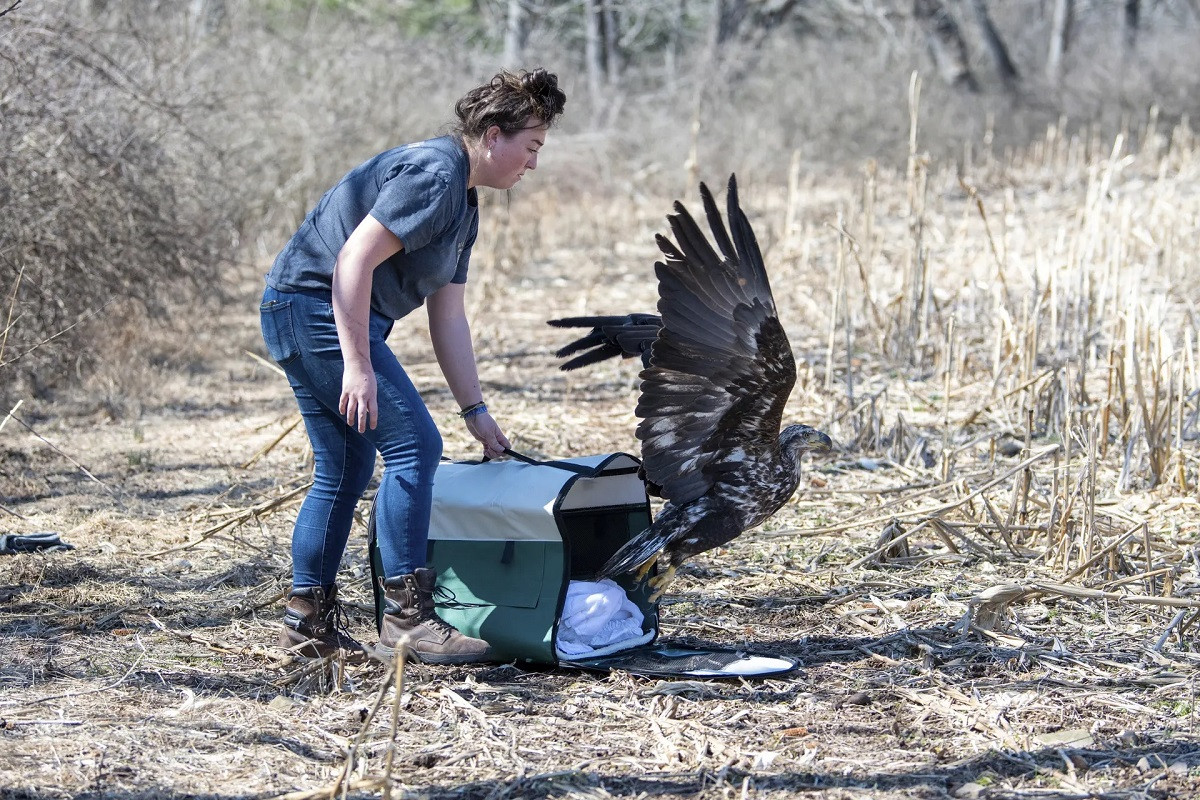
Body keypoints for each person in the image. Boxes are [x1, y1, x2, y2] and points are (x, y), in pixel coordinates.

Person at [259, 68, 567, 664]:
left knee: (345, 468)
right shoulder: (435, 173)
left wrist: (476, 411)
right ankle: (406, 621)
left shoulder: (466, 203)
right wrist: (356, 365)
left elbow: (447, 316)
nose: (533, 164)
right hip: (313, 308)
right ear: (493, 135)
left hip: (317, 312)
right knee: (415, 447)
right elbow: (352, 261)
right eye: (530, 148)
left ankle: (307, 628)